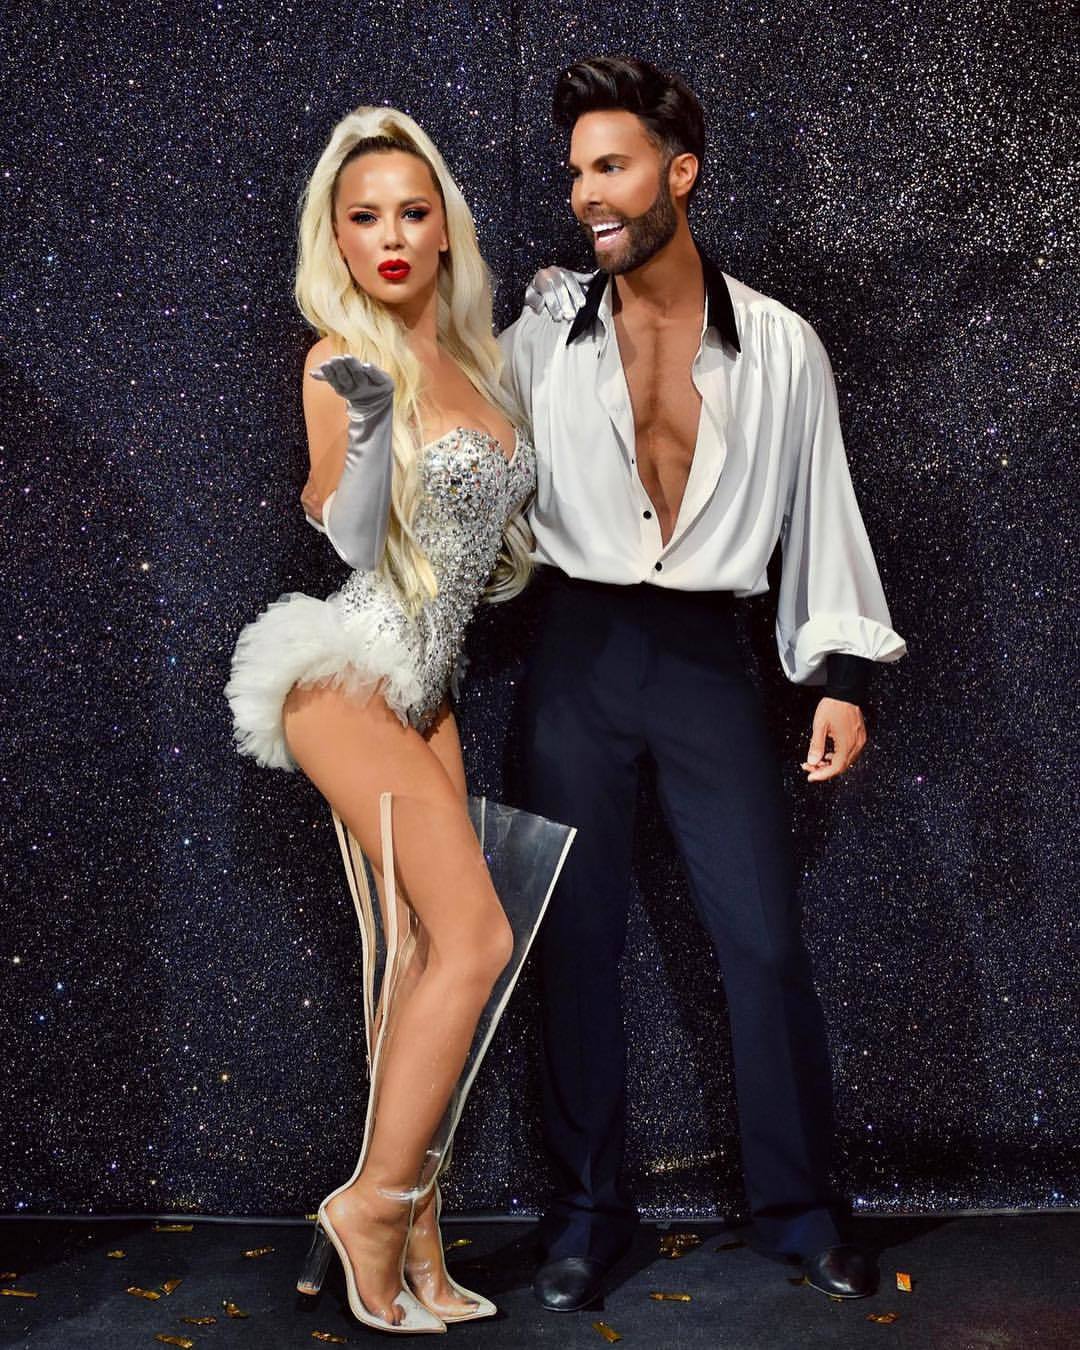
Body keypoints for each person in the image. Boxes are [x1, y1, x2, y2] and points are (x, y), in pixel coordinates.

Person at [500, 56, 907, 1312]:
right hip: (575, 651)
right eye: (576, 171)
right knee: (572, 944)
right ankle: (585, 1219)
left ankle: (801, 1213)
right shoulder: (539, 336)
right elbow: (464, 476)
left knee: (764, 940)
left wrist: (841, 673)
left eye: (611, 165)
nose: (586, 192)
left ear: (680, 172)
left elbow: (821, 509)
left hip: (706, 661)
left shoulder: (780, 343)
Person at [225, 106, 573, 1334]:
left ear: (444, 232)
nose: (389, 235)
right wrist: (373, 421)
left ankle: (416, 1222)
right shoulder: (340, 357)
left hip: (430, 685)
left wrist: (557, 313)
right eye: (363, 216)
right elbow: (349, 529)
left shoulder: (478, 359)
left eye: (412, 213)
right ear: (336, 235)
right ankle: (369, 1205)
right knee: (475, 938)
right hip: (348, 676)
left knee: (425, 959)